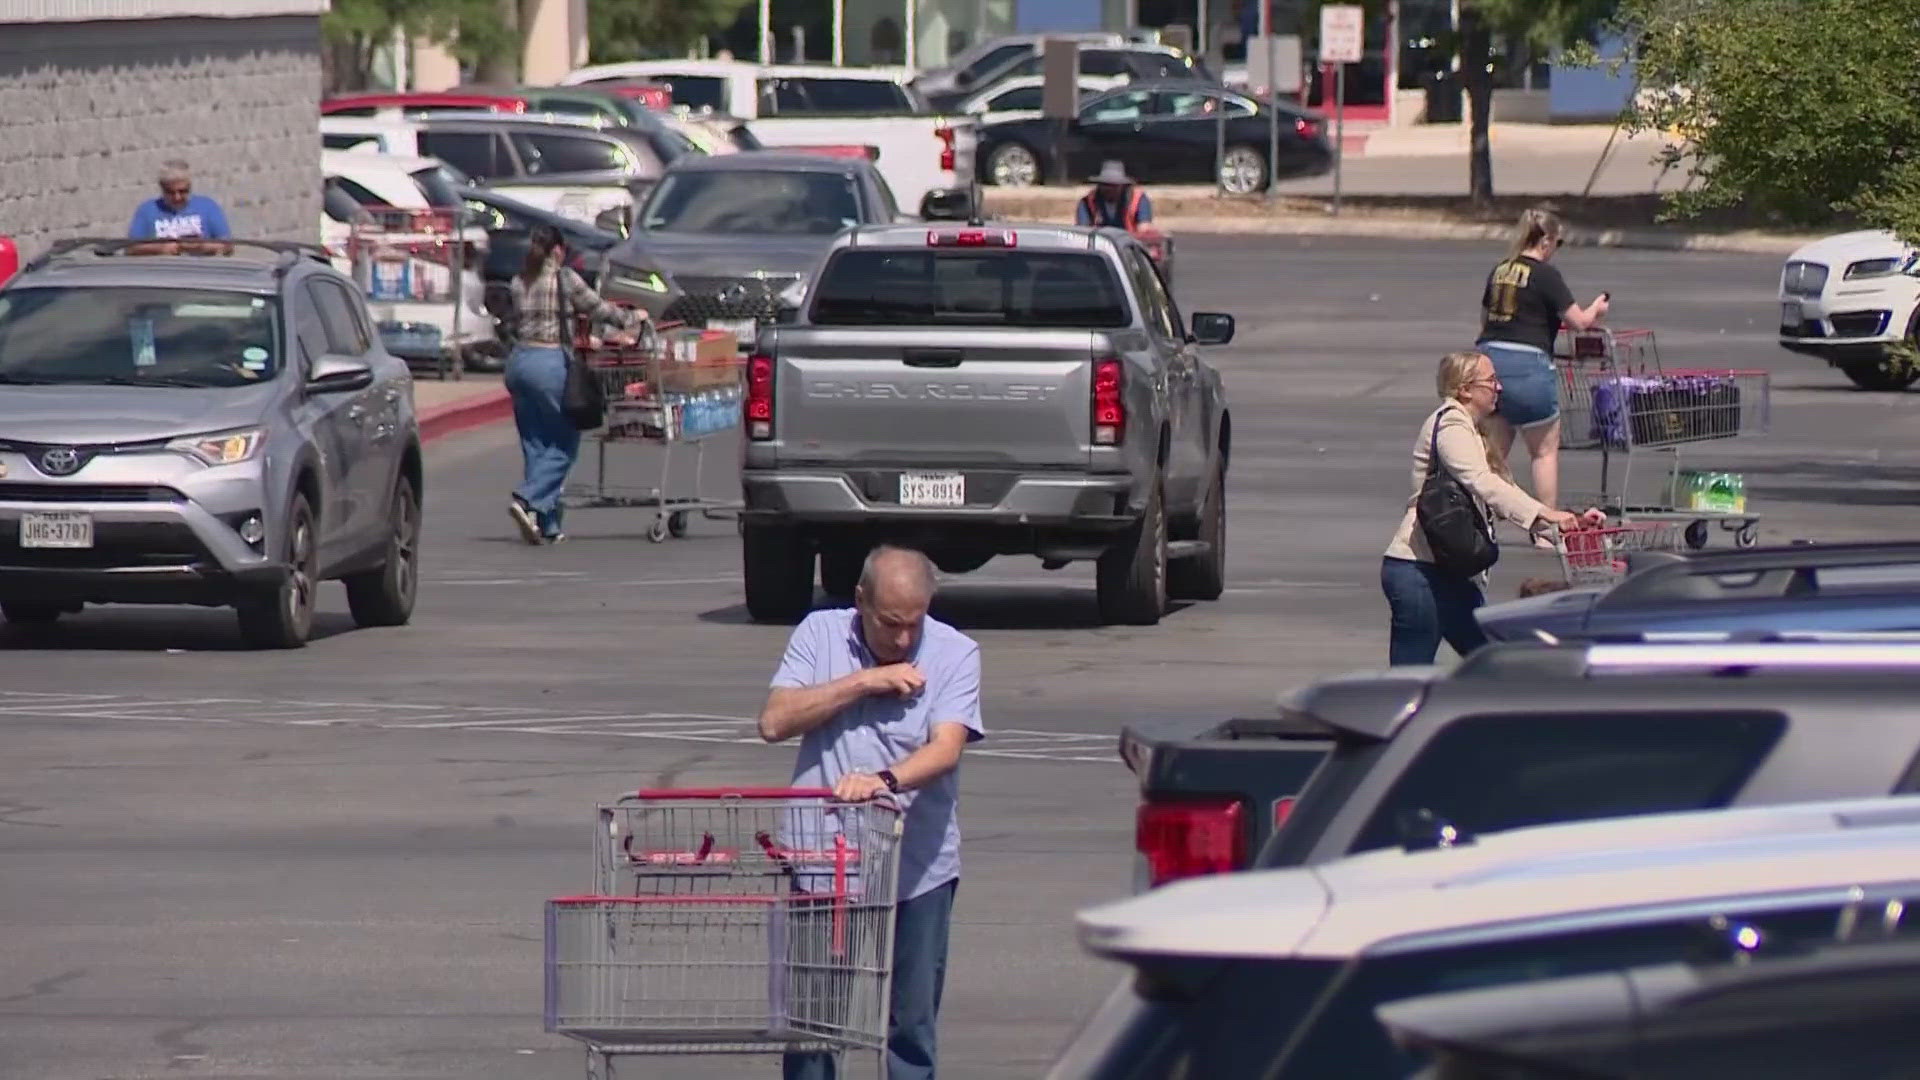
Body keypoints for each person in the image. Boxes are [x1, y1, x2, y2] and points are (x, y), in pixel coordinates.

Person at [759, 545, 985, 1080]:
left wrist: (884, 782)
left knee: (910, 1026)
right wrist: (863, 682)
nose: (904, 639)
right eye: (890, 624)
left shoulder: (956, 652)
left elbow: (946, 747)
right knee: (812, 1025)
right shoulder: (819, 635)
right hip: (823, 867)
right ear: (860, 601)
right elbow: (774, 722)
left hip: (916, 868)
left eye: (915, 623)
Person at [1382, 351, 1604, 665]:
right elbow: (1480, 480)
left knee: (1493, 657)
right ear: (1465, 389)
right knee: (1411, 675)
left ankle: (1505, 709)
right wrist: (1545, 513)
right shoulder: (1451, 424)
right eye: (1491, 381)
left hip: (1451, 573)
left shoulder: (1475, 431)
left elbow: (1503, 493)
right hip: (1418, 570)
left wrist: (1561, 522)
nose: (1499, 387)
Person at [503, 224, 644, 544]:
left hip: (518, 363)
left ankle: (548, 524)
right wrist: (634, 319)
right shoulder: (564, 278)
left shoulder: (518, 280)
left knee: (537, 444)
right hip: (548, 363)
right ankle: (527, 498)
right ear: (557, 251)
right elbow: (598, 309)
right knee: (566, 442)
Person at [1476, 206, 1610, 516]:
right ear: (1546, 241)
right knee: (1544, 451)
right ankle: (1546, 527)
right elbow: (1578, 321)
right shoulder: (1546, 275)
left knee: (1493, 454)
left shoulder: (1500, 270)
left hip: (1489, 361)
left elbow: (1486, 319)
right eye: (1558, 244)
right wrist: (1597, 309)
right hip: (1528, 364)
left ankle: (1477, 522)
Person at [127, 160, 233, 256]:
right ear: (162, 188)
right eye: (170, 192)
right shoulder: (147, 211)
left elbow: (227, 246)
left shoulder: (208, 207)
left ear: (189, 187)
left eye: (182, 191)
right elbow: (131, 248)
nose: (177, 197)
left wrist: (201, 247)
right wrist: (160, 248)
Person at [1075, 160, 1153, 232]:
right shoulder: (1087, 202)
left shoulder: (1138, 200)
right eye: (1105, 185)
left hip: (1130, 243)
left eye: (1114, 185)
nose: (1109, 189)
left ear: (1123, 186)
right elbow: (1083, 231)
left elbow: (1144, 230)